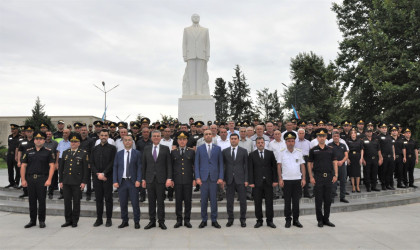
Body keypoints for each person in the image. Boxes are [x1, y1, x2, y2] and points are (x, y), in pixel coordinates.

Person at [20, 132, 55, 228]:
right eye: (36, 139)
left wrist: (49, 179)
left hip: (42, 179)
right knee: (32, 201)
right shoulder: (28, 151)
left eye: (40, 139)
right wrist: (23, 179)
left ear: (44, 140)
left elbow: (52, 166)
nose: (38, 140)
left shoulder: (48, 152)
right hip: (30, 179)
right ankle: (32, 220)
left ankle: (42, 220)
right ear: (34, 140)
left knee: (41, 201)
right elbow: (23, 166)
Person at [141, 130, 172, 230]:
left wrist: (169, 178)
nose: (156, 137)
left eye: (158, 136)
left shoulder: (165, 148)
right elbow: (144, 165)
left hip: (161, 179)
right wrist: (143, 179)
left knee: (160, 202)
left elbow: (169, 165)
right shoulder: (146, 148)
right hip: (149, 179)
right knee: (151, 202)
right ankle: (152, 221)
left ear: (160, 137)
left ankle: (161, 222)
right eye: (154, 136)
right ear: (151, 137)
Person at [307, 128, 338, 228]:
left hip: (329, 177)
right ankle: (319, 220)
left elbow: (334, 162)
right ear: (317, 137)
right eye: (319, 136)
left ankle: (326, 219)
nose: (321, 138)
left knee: (328, 200)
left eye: (323, 136)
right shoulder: (313, 150)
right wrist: (311, 177)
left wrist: (336, 175)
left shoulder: (330, 149)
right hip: (318, 177)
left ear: (326, 137)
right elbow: (309, 164)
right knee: (319, 200)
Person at [195, 129, 224, 229]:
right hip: (203, 179)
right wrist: (197, 177)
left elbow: (221, 164)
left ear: (212, 135)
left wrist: (221, 177)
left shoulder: (218, 148)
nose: (208, 136)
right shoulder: (199, 148)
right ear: (203, 136)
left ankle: (214, 220)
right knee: (203, 201)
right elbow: (196, 164)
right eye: (206, 134)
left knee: (213, 200)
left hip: (214, 178)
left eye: (209, 134)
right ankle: (204, 220)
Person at [59, 133, 89, 228]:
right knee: (67, 202)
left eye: (75, 142)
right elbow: (61, 168)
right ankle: (68, 220)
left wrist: (84, 182)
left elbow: (86, 169)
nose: (73, 143)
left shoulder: (83, 153)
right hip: (66, 181)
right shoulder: (65, 153)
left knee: (76, 202)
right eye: (72, 141)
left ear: (79, 143)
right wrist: (61, 181)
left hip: (77, 182)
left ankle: (75, 220)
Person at [248, 137, 278, 229]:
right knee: (258, 203)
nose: (260, 144)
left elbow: (274, 168)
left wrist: (275, 180)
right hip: (257, 183)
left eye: (262, 142)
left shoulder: (270, 153)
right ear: (256, 144)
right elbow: (250, 169)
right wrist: (251, 182)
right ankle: (259, 221)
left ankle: (270, 221)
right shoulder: (252, 155)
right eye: (258, 143)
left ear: (264, 144)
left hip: (268, 182)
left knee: (269, 203)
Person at [277, 132, 306, 228]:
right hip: (286, 180)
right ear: (285, 142)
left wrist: (304, 178)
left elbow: (302, 166)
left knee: (296, 202)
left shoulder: (299, 152)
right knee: (287, 202)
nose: (290, 143)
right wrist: (280, 179)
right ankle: (288, 220)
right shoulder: (281, 152)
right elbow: (279, 166)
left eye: (292, 141)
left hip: (297, 180)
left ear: (294, 142)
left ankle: (296, 220)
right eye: (288, 141)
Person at [113, 135, 142, 229]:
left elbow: (139, 168)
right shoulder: (119, 154)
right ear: (123, 142)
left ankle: (137, 221)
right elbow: (115, 167)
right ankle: (124, 221)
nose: (128, 142)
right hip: (122, 182)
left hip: (133, 182)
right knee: (123, 203)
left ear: (132, 142)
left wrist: (138, 180)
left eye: (129, 140)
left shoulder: (137, 153)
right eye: (126, 140)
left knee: (135, 203)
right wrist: (115, 180)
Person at [91, 129, 117, 227]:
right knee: (98, 199)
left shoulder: (112, 148)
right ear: (99, 136)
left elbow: (112, 162)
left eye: (106, 135)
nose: (103, 137)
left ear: (108, 136)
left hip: (107, 177)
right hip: (97, 177)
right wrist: (98, 174)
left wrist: (104, 173)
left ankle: (109, 219)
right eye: (102, 135)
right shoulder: (94, 148)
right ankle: (99, 219)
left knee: (108, 199)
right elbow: (92, 163)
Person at [222, 133, 248, 227]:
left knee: (243, 201)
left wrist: (246, 179)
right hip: (229, 180)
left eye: (235, 139)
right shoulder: (225, 151)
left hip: (241, 179)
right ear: (230, 140)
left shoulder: (244, 151)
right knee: (229, 201)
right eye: (232, 138)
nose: (233, 140)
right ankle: (230, 219)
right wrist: (223, 179)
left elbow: (246, 166)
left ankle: (243, 219)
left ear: (238, 140)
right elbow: (223, 166)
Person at [171, 131, 195, 228]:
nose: (182, 141)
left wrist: (194, 178)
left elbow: (195, 166)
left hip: (188, 180)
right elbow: (171, 167)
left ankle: (187, 220)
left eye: (184, 139)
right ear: (177, 141)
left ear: (187, 141)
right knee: (178, 201)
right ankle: (179, 220)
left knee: (188, 201)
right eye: (180, 139)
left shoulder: (191, 151)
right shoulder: (173, 152)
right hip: (177, 181)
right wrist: (171, 179)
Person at [182, 14, 210, 96]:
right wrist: (184, 55)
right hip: (190, 54)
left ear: (200, 18)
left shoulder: (205, 30)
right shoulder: (186, 30)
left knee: (200, 74)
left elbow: (207, 44)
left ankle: (199, 91)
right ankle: (191, 91)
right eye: (194, 17)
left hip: (202, 54)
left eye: (197, 17)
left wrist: (207, 55)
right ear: (191, 18)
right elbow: (184, 43)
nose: (196, 18)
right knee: (191, 74)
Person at [328, 132, 349, 203]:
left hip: (342, 165)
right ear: (332, 137)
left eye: (337, 136)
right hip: (333, 166)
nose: (336, 137)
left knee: (343, 181)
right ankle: (331, 197)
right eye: (334, 136)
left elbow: (346, 155)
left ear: (339, 137)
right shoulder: (329, 145)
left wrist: (342, 161)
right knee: (333, 182)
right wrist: (335, 162)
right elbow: (328, 156)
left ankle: (342, 197)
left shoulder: (343, 145)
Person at [17, 125, 35, 198]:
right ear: (26, 133)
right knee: (23, 176)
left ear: (33, 132)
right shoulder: (23, 141)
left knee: (32, 177)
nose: (29, 133)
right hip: (24, 161)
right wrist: (18, 161)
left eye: (30, 132)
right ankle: (25, 192)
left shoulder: (35, 140)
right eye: (28, 132)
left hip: (33, 162)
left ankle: (32, 192)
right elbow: (19, 151)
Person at [79, 124, 95, 201]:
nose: (83, 132)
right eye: (82, 130)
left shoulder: (91, 140)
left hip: (87, 162)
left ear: (87, 131)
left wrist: (90, 162)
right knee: (79, 178)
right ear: (80, 131)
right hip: (78, 161)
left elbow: (92, 152)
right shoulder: (77, 140)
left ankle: (88, 194)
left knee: (87, 178)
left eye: (85, 130)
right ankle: (79, 193)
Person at [377, 123, 395, 190]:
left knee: (390, 171)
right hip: (384, 157)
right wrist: (380, 157)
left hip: (390, 157)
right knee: (383, 171)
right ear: (380, 129)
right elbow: (378, 148)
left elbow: (392, 146)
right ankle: (383, 184)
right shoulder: (378, 137)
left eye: (385, 128)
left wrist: (393, 155)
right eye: (383, 128)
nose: (384, 129)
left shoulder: (390, 136)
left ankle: (389, 184)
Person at [295, 128, 312, 198]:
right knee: (298, 176)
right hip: (297, 159)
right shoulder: (295, 142)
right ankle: (298, 193)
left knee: (306, 176)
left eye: (302, 133)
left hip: (306, 158)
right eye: (300, 133)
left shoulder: (308, 142)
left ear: (304, 134)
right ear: (298, 134)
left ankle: (306, 193)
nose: (301, 134)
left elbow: (311, 152)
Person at [55, 129, 71, 199]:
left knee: (68, 176)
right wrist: (56, 162)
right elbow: (58, 152)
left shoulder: (71, 142)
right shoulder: (60, 142)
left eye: (66, 133)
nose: (65, 134)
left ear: (69, 134)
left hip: (68, 160)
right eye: (64, 133)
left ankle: (68, 193)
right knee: (61, 176)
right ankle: (62, 193)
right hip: (61, 160)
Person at [44, 130, 58, 199]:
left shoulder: (55, 143)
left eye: (50, 134)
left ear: (52, 135)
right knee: (44, 178)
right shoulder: (42, 142)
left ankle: (50, 193)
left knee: (52, 178)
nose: (48, 135)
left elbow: (57, 153)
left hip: (52, 163)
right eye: (47, 134)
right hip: (43, 163)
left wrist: (56, 163)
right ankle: (43, 192)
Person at [5, 124, 20, 189]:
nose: (12, 130)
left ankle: (16, 183)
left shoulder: (20, 137)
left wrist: (17, 156)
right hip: (9, 155)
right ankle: (11, 182)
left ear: (17, 129)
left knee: (17, 169)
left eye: (14, 129)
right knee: (10, 169)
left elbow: (19, 146)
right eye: (11, 129)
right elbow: (9, 145)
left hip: (16, 155)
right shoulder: (10, 136)